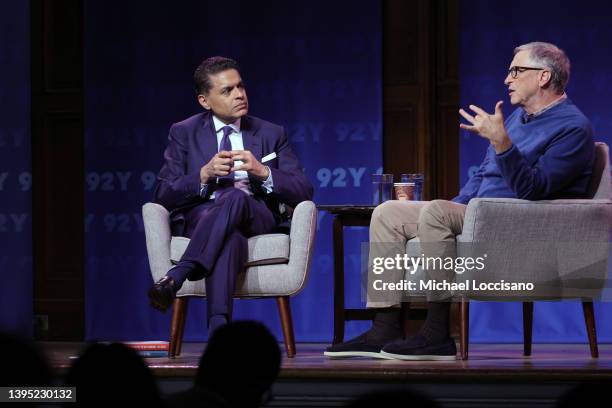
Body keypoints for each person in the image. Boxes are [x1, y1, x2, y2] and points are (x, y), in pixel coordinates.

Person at [325, 41, 595, 360]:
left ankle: (438, 332)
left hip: (519, 224)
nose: (507, 79)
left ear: (544, 77)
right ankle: (384, 327)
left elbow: (534, 190)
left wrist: (502, 144)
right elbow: (483, 173)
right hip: (482, 214)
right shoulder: (517, 119)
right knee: (388, 213)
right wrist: (459, 203)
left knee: (437, 213)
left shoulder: (573, 128)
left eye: (516, 71)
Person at [148, 56, 313, 336]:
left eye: (240, 86)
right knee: (229, 236)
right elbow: (163, 194)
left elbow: (304, 190)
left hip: (257, 216)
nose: (239, 95)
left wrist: (262, 171)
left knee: (235, 198)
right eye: (227, 91)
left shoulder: (271, 133)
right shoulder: (184, 132)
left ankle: (177, 275)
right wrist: (203, 175)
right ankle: (219, 329)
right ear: (204, 101)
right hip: (205, 217)